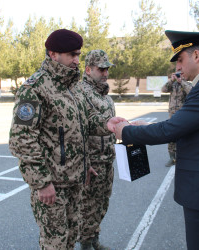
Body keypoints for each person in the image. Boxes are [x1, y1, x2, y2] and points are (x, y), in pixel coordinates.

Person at [113, 30, 199, 250]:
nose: (177, 68)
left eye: (180, 60)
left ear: (197, 55)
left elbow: (170, 130)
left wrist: (125, 132)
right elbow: (191, 126)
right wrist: (146, 126)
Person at [9, 29, 124, 249]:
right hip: (53, 186)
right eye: (71, 54)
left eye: (78, 54)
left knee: (71, 239)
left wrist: (106, 125)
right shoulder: (35, 88)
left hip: (74, 182)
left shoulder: (73, 87)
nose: (76, 60)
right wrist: (42, 183)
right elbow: (21, 139)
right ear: (53, 54)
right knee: (55, 244)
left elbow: (81, 125)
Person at [78, 50, 116, 250]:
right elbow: (78, 131)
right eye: (101, 69)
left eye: (107, 69)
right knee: (88, 207)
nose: (105, 73)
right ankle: (85, 244)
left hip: (107, 159)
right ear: (88, 69)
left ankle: (94, 240)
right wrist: (84, 163)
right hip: (92, 163)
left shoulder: (106, 97)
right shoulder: (81, 93)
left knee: (102, 204)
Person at [161, 72, 193, 167]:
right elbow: (163, 89)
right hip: (172, 114)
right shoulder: (172, 85)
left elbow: (191, 91)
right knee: (171, 135)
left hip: (183, 114)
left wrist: (181, 81)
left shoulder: (187, 84)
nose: (178, 76)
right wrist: (171, 80)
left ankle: (184, 157)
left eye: (180, 74)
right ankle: (172, 157)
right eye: (177, 74)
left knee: (183, 135)